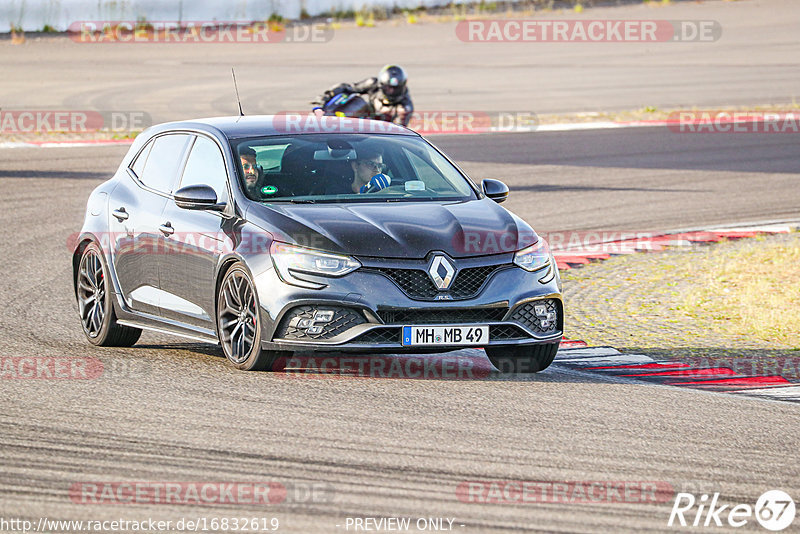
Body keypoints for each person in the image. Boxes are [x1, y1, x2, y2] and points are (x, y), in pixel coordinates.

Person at [312, 65, 414, 127]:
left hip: (378, 132)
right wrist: (325, 98)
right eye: (388, 87)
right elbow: (347, 88)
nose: (391, 91)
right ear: (382, 84)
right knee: (354, 98)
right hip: (363, 118)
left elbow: (397, 131)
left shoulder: (405, 107)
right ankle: (326, 115)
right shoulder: (373, 83)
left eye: (395, 88)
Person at [325, 148, 391, 195]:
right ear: (355, 166)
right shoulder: (337, 193)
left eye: (380, 166)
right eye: (370, 164)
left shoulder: (385, 193)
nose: (376, 169)